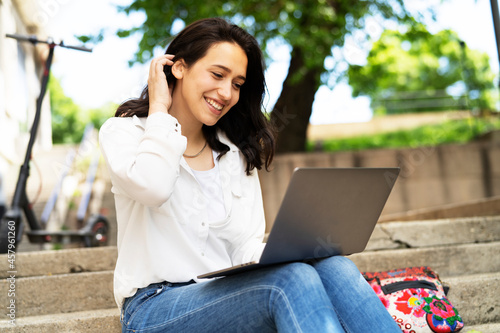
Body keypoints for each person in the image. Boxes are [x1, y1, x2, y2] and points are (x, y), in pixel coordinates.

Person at [99, 17, 401, 333]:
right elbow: (154, 187)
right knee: (290, 281)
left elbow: (244, 247)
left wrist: (298, 252)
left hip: (226, 294)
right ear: (178, 67)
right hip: (155, 307)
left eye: (237, 84)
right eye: (217, 74)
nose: (227, 92)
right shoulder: (124, 133)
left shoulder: (233, 153)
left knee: (333, 266)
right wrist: (160, 108)